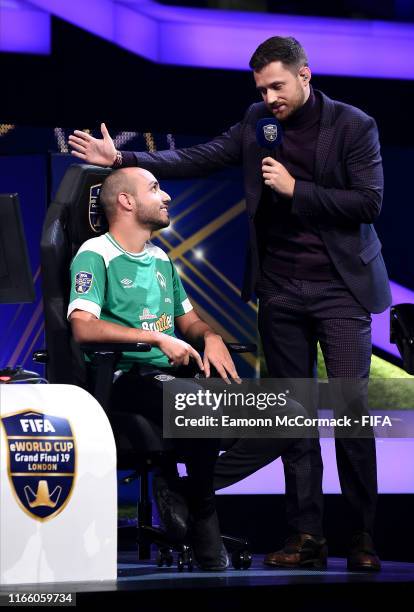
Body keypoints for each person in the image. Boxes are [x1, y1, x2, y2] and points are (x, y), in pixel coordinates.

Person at [68, 36, 390, 571]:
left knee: (352, 415)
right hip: (281, 290)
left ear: (305, 75)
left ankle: (362, 538)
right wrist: (123, 157)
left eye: (278, 87)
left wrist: (295, 189)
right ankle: (307, 535)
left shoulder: (355, 126)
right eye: (261, 88)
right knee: (295, 417)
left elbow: (369, 202)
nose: (270, 98)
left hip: (341, 289)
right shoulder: (258, 122)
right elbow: (200, 157)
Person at [67, 166, 242, 571]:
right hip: (127, 379)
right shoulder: (96, 254)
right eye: (155, 188)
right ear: (126, 202)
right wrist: (155, 339)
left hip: (176, 381)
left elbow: (190, 321)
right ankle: (204, 517)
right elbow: (83, 327)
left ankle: (183, 491)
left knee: (285, 416)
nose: (167, 197)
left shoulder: (161, 259)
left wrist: (211, 337)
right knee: (199, 406)